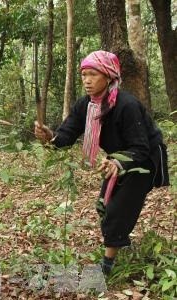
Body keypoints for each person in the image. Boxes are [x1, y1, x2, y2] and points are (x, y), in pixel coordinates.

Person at [34, 50, 169, 275]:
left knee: (118, 208)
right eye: (84, 75)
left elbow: (141, 147)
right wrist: (49, 138)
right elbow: (66, 135)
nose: (87, 80)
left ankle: (106, 268)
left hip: (144, 159)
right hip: (116, 159)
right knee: (103, 205)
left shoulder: (126, 105)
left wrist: (117, 162)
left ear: (109, 76)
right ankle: (120, 240)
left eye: (93, 74)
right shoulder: (85, 105)